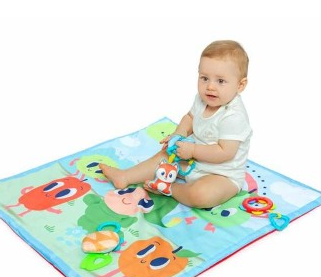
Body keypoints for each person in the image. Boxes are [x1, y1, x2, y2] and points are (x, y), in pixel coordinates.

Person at [100, 40, 252, 208]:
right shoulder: (202, 99)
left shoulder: (234, 116)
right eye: (204, 78)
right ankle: (125, 176)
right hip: (193, 162)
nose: (210, 86)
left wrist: (192, 150)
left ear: (240, 85)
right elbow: (190, 118)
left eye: (220, 81)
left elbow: (225, 152)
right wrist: (178, 135)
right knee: (164, 155)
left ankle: (169, 188)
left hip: (222, 175)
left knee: (202, 195)